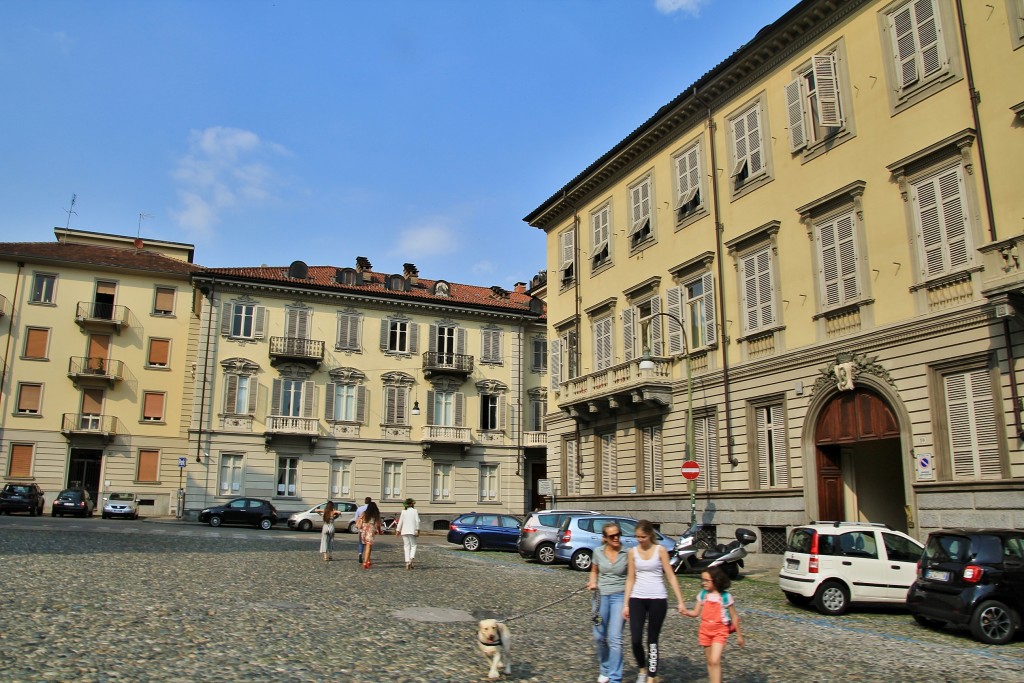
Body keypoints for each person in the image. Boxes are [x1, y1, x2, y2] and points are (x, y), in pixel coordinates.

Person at [622, 520, 685, 683]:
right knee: (635, 639)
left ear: (650, 535)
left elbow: (670, 575)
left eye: (642, 536)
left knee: (652, 639)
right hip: (637, 598)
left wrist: (680, 601)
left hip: (658, 598)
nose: (640, 540)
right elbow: (630, 578)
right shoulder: (632, 552)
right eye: (637, 537)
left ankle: (652, 675)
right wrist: (626, 603)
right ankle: (642, 668)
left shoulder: (660, 550)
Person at [683, 566, 744, 683]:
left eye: (707, 580)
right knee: (710, 661)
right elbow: (696, 612)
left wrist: (739, 636)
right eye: (702, 580)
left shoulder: (726, 597)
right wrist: (686, 612)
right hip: (705, 630)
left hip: (720, 631)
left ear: (716, 580)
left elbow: (735, 617)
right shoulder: (702, 595)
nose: (704, 583)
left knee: (715, 660)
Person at [587, 522, 627, 683]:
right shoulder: (598, 552)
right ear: (605, 538)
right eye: (612, 536)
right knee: (599, 636)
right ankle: (605, 669)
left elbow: (632, 577)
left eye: (618, 534)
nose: (616, 537)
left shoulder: (627, 553)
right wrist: (592, 582)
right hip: (600, 597)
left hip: (620, 596)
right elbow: (594, 571)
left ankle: (615, 677)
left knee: (615, 638)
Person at [395, 498, 421, 570]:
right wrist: (417, 529)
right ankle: (411, 559)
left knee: (406, 546)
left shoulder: (403, 512)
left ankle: (407, 562)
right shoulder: (415, 511)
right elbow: (417, 521)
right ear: (411, 504)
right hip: (412, 531)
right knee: (413, 545)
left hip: (404, 531)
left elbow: (400, 521)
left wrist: (398, 530)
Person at [358, 501, 383, 570]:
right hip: (370, 531)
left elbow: (359, 520)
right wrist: (380, 531)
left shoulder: (364, 513)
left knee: (368, 546)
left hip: (363, 530)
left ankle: (368, 560)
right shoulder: (376, 514)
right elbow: (378, 524)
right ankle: (365, 562)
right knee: (368, 546)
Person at [354, 496, 371, 564]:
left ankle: (360, 553)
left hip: (361, 528)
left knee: (361, 542)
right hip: (369, 529)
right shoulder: (371, 509)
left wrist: (358, 525)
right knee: (368, 543)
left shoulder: (360, 509)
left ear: (365, 501)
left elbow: (356, 519)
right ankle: (367, 558)